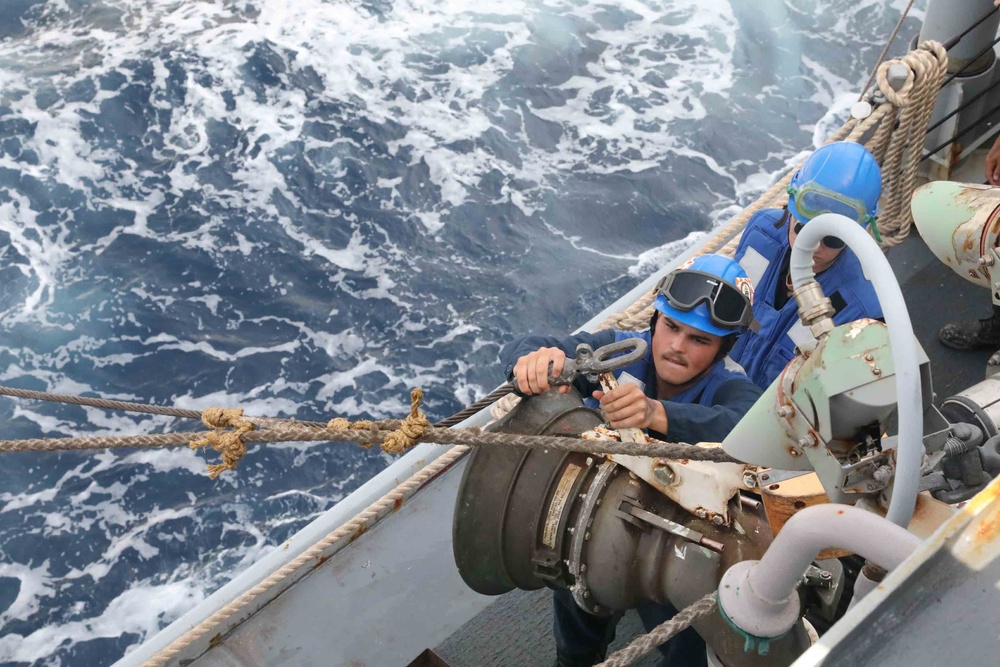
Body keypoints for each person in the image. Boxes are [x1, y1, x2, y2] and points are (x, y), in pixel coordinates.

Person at [498, 254, 763, 667]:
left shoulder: (730, 385)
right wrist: (530, 360)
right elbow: (532, 347)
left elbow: (746, 428)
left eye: (700, 339)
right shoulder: (620, 349)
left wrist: (657, 414)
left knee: (684, 637)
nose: (677, 347)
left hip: (675, 541)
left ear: (722, 349)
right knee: (574, 603)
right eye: (672, 327)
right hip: (594, 518)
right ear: (655, 320)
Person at [730, 141, 884, 389]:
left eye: (832, 238)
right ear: (790, 208)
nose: (813, 246)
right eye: (804, 228)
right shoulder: (760, 232)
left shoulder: (863, 308)